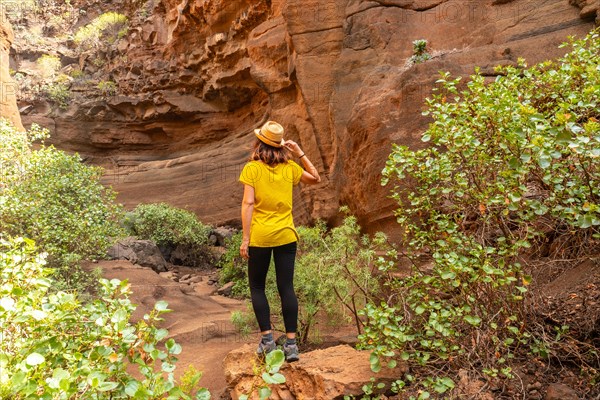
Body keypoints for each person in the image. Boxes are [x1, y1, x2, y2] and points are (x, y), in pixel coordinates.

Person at [238, 120, 321, 362]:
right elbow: (315, 178)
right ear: (281, 145)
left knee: (257, 286)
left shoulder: (251, 169)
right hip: (286, 235)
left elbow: (248, 204)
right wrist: (300, 153)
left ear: (259, 142)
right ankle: (292, 345)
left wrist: (245, 238)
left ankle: (267, 341)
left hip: (261, 236)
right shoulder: (290, 168)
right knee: (286, 287)